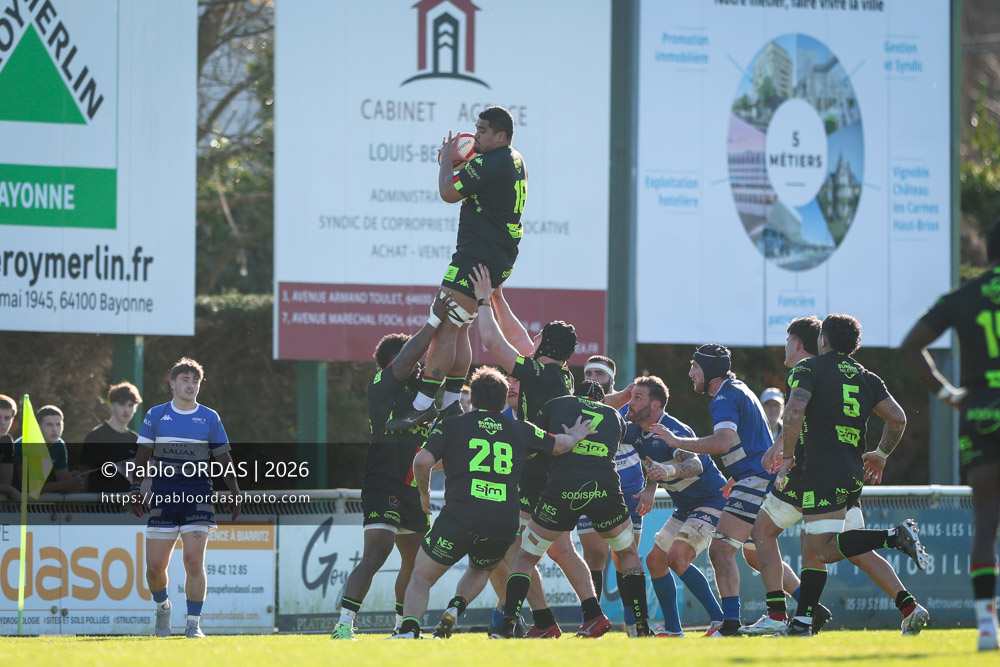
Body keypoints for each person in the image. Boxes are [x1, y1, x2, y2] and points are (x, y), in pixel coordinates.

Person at [743, 316, 928, 636]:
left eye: (788, 340)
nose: (785, 345)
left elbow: (797, 413)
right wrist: (881, 456)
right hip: (850, 472)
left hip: (812, 471)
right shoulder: (865, 376)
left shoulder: (807, 371)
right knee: (843, 548)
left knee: (785, 538)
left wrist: (786, 457)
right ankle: (907, 606)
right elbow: (897, 418)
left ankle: (779, 615)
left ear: (819, 340)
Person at [392, 367, 593, 639]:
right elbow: (560, 444)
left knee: (421, 576)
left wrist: (424, 495)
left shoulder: (454, 424)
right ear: (503, 399)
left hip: (460, 516)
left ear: (473, 397)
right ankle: (456, 606)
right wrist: (578, 434)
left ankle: (409, 630)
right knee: (481, 568)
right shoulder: (519, 428)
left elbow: (423, 460)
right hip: (502, 522)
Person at [468, 264, 597, 637]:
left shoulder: (538, 374)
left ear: (543, 345)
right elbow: (521, 339)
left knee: (511, 550)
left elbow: (494, 342)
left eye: (537, 338)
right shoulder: (561, 374)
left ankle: (542, 621)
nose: (531, 341)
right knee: (561, 549)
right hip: (555, 470)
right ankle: (590, 615)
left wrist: (482, 300)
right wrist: (499, 296)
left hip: (536, 472)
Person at [387, 106, 527, 431]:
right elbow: (481, 185)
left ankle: (422, 406)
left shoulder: (491, 162)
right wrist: (457, 164)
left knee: (445, 326)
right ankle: (451, 405)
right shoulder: (512, 157)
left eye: (482, 131)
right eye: (475, 129)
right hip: (495, 253)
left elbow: (448, 192)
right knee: (460, 326)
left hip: (478, 256)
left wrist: (449, 162)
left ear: (500, 135)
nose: (476, 135)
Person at [900, 220, 1000, 652]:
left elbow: (910, 345)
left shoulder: (961, 298)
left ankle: (986, 628)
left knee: (985, 521)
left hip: (979, 410)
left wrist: (946, 392)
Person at [333, 293, 458, 640]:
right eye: (412, 362)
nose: (418, 367)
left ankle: (403, 626)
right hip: (383, 479)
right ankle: (344, 625)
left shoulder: (423, 395)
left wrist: (456, 328)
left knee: (417, 562)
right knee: (377, 551)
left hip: (413, 485)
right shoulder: (381, 388)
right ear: (389, 366)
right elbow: (406, 361)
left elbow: (445, 368)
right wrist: (433, 321)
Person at [497, 381, 652, 639]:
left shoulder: (557, 405)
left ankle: (506, 628)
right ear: (601, 401)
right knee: (628, 554)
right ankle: (642, 626)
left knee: (524, 558)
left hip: (562, 491)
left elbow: (538, 442)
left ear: (574, 394)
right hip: (605, 491)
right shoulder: (615, 416)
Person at [649, 344, 775, 636]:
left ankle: (730, 624)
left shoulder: (723, 397)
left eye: (695, 366)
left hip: (753, 481)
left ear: (709, 370)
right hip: (753, 478)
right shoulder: (738, 388)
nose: (691, 372)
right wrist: (737, 474)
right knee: (759, 552)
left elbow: (722, 442)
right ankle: (803, 609)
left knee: (721, 550)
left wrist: (675, 441)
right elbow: (754, 439)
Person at [129, 357, 241, 639]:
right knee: (155, 567)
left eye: (195, 381)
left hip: (198, 497)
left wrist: (235, 491)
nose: (190, 385)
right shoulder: (155, 415)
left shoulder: (210, 417)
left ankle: (193, 623)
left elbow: (223, 457)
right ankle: (163, 607)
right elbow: (142, 456)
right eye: (185, 380)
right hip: (163, 497)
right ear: (173, 384)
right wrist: (134, 489)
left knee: (193, 561)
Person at [626, 376, 726, 638]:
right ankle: (673, 630)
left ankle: (721, 622)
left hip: (711, 500)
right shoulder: (637, 429)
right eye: (631, 396)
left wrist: (668, 470)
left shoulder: (673, 430)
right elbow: (651, 463)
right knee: (655, 560)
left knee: (677, 557)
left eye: (638, 398)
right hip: (686, 506)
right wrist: (649, 489)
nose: (631, 403)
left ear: (656, 406)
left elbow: (696, 465)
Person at [576, 355, 647, 635]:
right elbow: (593, 409)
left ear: (611, 380)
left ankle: (635, 624)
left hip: (628, 492)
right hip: (588, 489)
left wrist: (651, 488)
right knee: (594, 557)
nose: (593, 378)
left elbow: (652, 446)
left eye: (600, 374)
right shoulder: (576, 404)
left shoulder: (631, 408)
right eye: (589, 373)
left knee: (626, 556)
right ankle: (592, 619)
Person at [80, 382, 142, 493]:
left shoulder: (135, 440)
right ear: (111, 406)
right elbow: (83, 476)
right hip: (98, 507)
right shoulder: (95, 437)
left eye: (130, 405)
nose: (126, 410)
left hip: (126, 508)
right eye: (122, 404)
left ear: (136, 408)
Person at [14, 404, 84, 493]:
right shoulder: (22, 445)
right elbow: (27, 487)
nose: (55, 429)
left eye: (58, 424)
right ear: (37, 426)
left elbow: (63, 480)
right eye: (49, 425)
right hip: (11, 503)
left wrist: (72, 480)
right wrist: (64, 484)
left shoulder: (59, 445)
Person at [0, 394, 19, 502]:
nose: (2, 422)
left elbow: (5, 482)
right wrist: (8, 489)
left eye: (7, 418)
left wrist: (7, 488)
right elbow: (6, 487)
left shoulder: (6, 441)